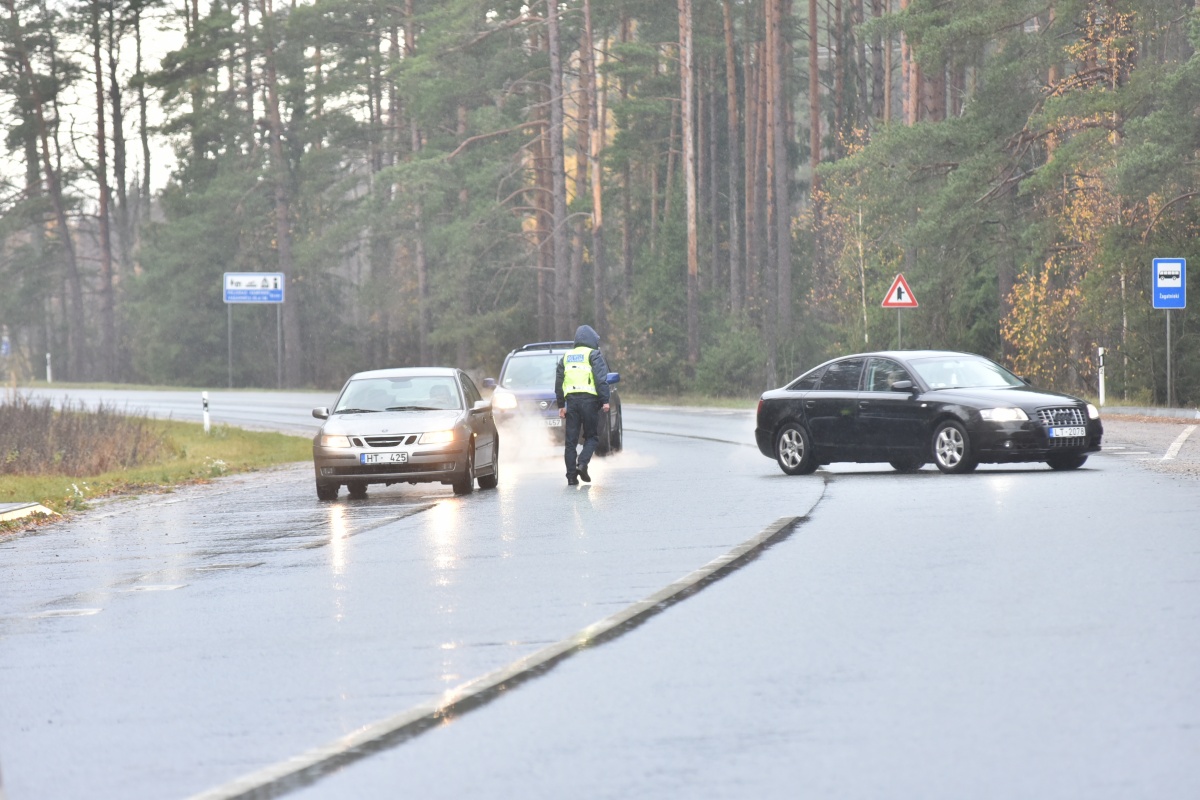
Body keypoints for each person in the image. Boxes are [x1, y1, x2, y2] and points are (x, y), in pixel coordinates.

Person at [554, 324, 611, 486]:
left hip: (572, 402)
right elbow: (601, 379)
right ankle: (583, 463)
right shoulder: (594, 354)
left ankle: (571, 477)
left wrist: (561, 405)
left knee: (570, 442)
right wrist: (605, 400)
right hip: (590, 402)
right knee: (591, 436)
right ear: (592, 340)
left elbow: (559, 383)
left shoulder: (566, 357)